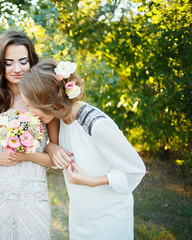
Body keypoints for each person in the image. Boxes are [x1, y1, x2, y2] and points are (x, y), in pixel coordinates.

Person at [19, 58, 146, 240]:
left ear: (51, 102)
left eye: (32, 105)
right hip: (81, 214)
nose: (30, 112)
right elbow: (59, 154)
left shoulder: (96, 125)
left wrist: (92, 181)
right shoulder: (61, 118)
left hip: (109, 217)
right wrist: (52, 146)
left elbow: (136, 170)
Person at [0, 30, 55, 239]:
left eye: (23, 61)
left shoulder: (46, 105)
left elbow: (53, 159)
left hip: (33, 194)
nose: (17, 69)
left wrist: (27, 154)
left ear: (32, 62)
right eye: (9, 62)